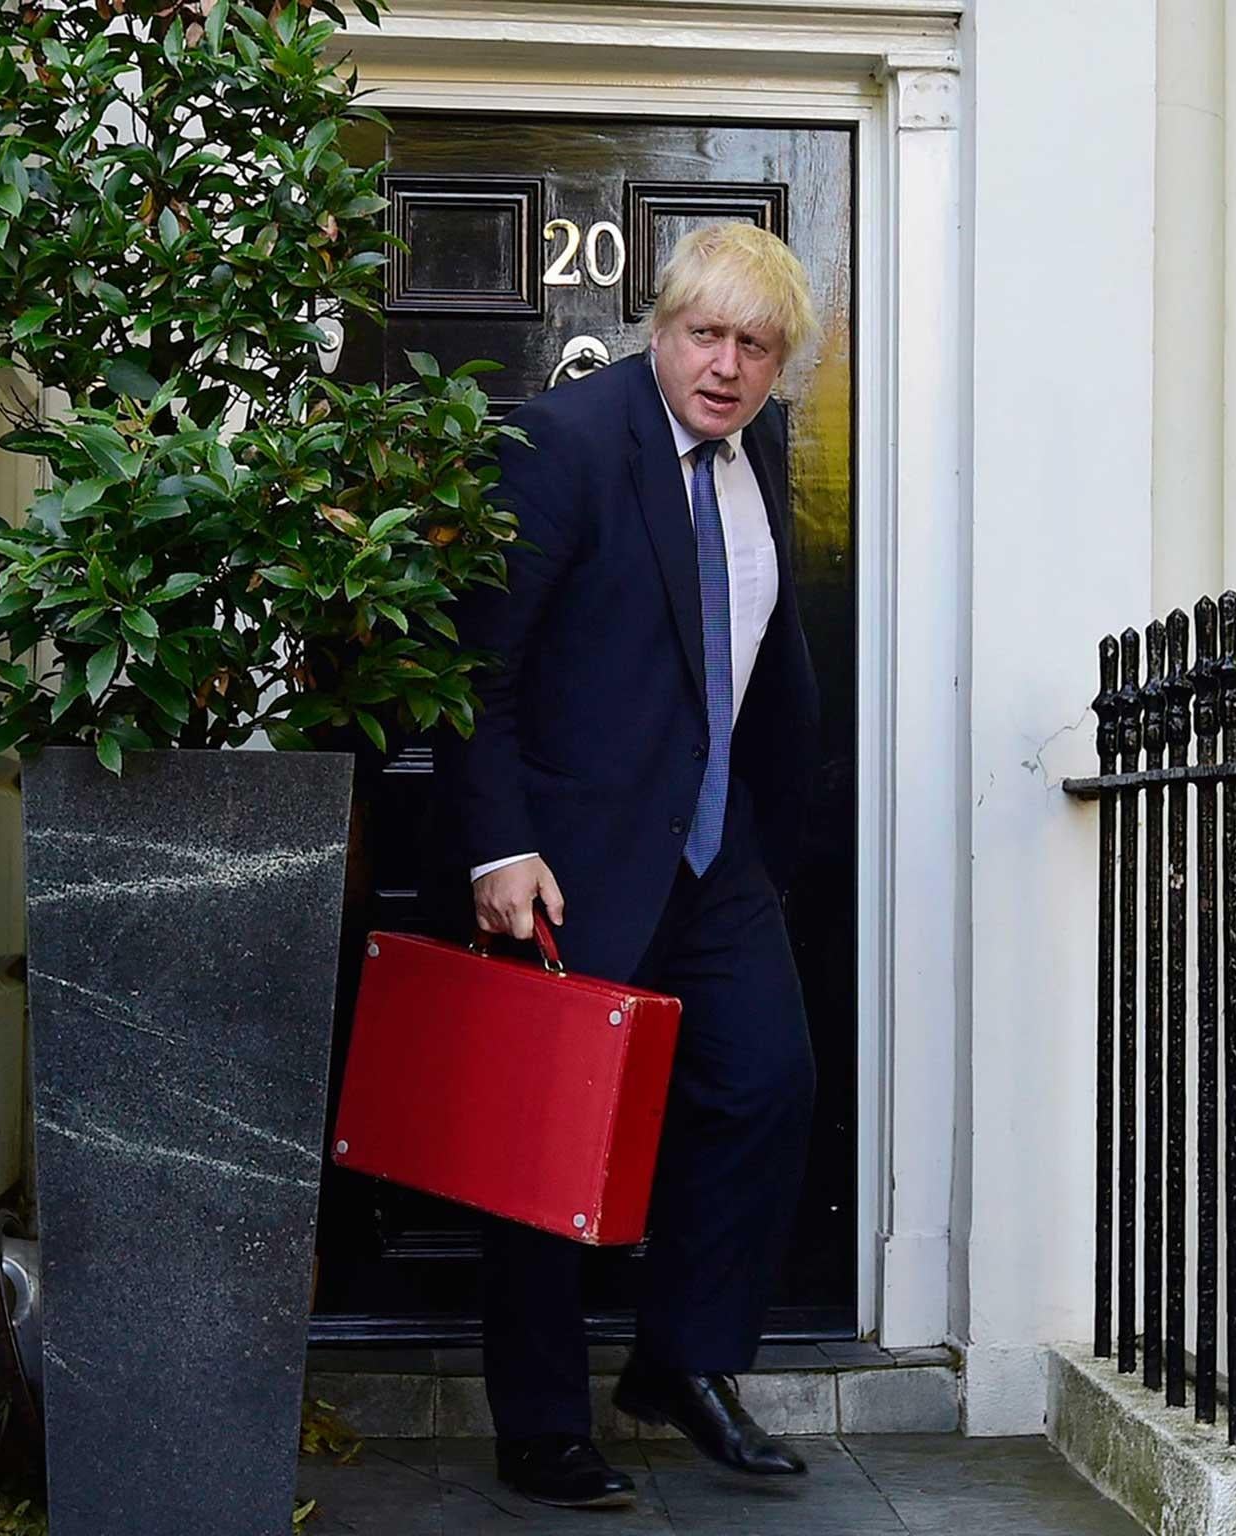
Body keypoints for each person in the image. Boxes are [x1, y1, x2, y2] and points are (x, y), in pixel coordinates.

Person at [434, 221, 824, 1510]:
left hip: (717, 858)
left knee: (766, 1086)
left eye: (753, 345)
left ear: (778, 366)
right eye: (704, 334)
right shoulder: (563, 444)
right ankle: (541, 1430)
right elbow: (470, 671)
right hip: (568, 862)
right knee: (553, 1144)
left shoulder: (756, 452)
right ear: (660, 327)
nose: (724, 364)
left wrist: (782, 830)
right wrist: (499, 841)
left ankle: (683, 1362)